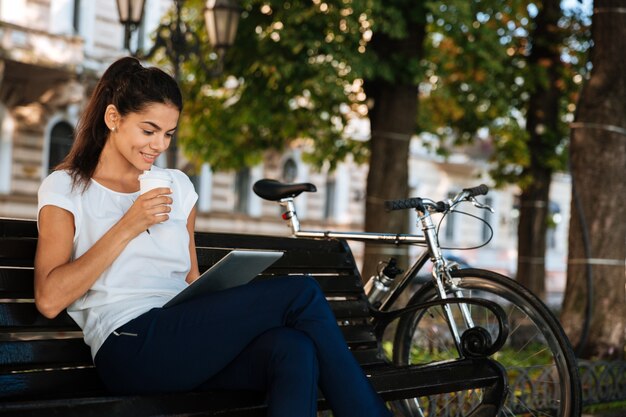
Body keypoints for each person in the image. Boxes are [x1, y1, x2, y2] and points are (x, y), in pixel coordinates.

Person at [34, 57, 391, 417]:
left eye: (168, 134)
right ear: (113, 118)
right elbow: (49, 299)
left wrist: (217, 293)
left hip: (183, 337)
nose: (159, 144)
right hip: (128, 345)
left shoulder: (178, 185)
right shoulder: (67, 188)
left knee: (292, 347)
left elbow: (189, 278)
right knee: (301, 292)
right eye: (148, 130)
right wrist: (129, 224)